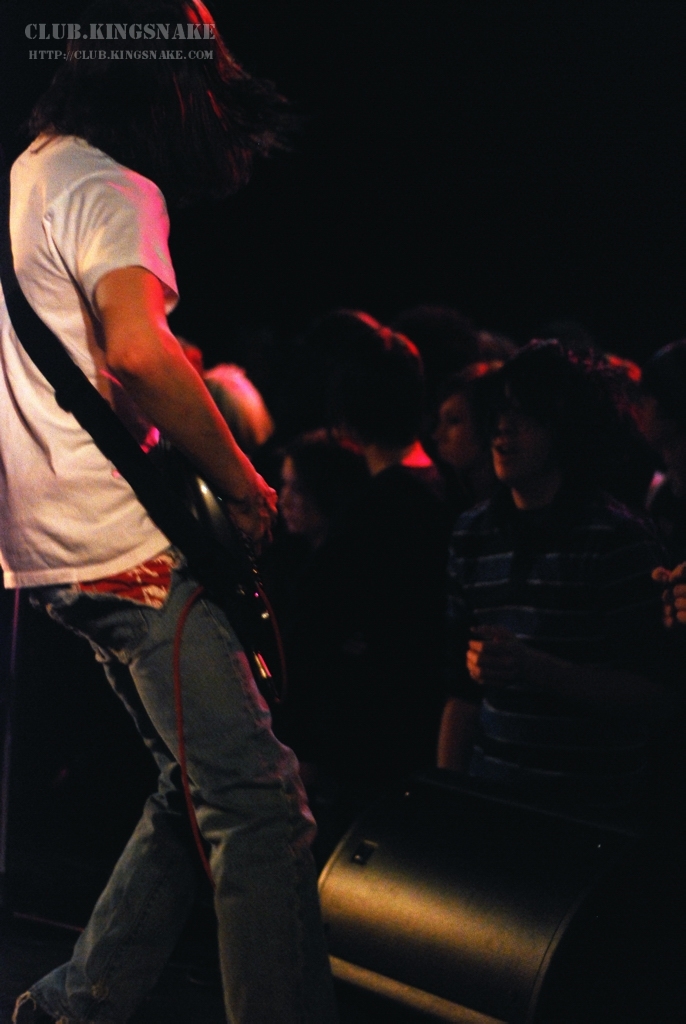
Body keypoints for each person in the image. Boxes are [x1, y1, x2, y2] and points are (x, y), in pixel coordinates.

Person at [1, 2, 337, 1022]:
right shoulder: (113, 185)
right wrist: (243, 485)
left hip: (52, 547)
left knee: (193, 786)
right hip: (130, 544)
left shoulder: (33, 170)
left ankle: (75, 1005)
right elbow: (137, 351)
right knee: (259, 805)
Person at [437, 341, 668, 816]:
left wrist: (533, 668)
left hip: (587, 813)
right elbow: (461, 692)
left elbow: (650, 693)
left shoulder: (616, 539)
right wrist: (448, 799)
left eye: (524, 413)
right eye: (500, 411)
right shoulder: (473, 532)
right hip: (492, 799)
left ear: (565, 424)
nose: (503, 427)